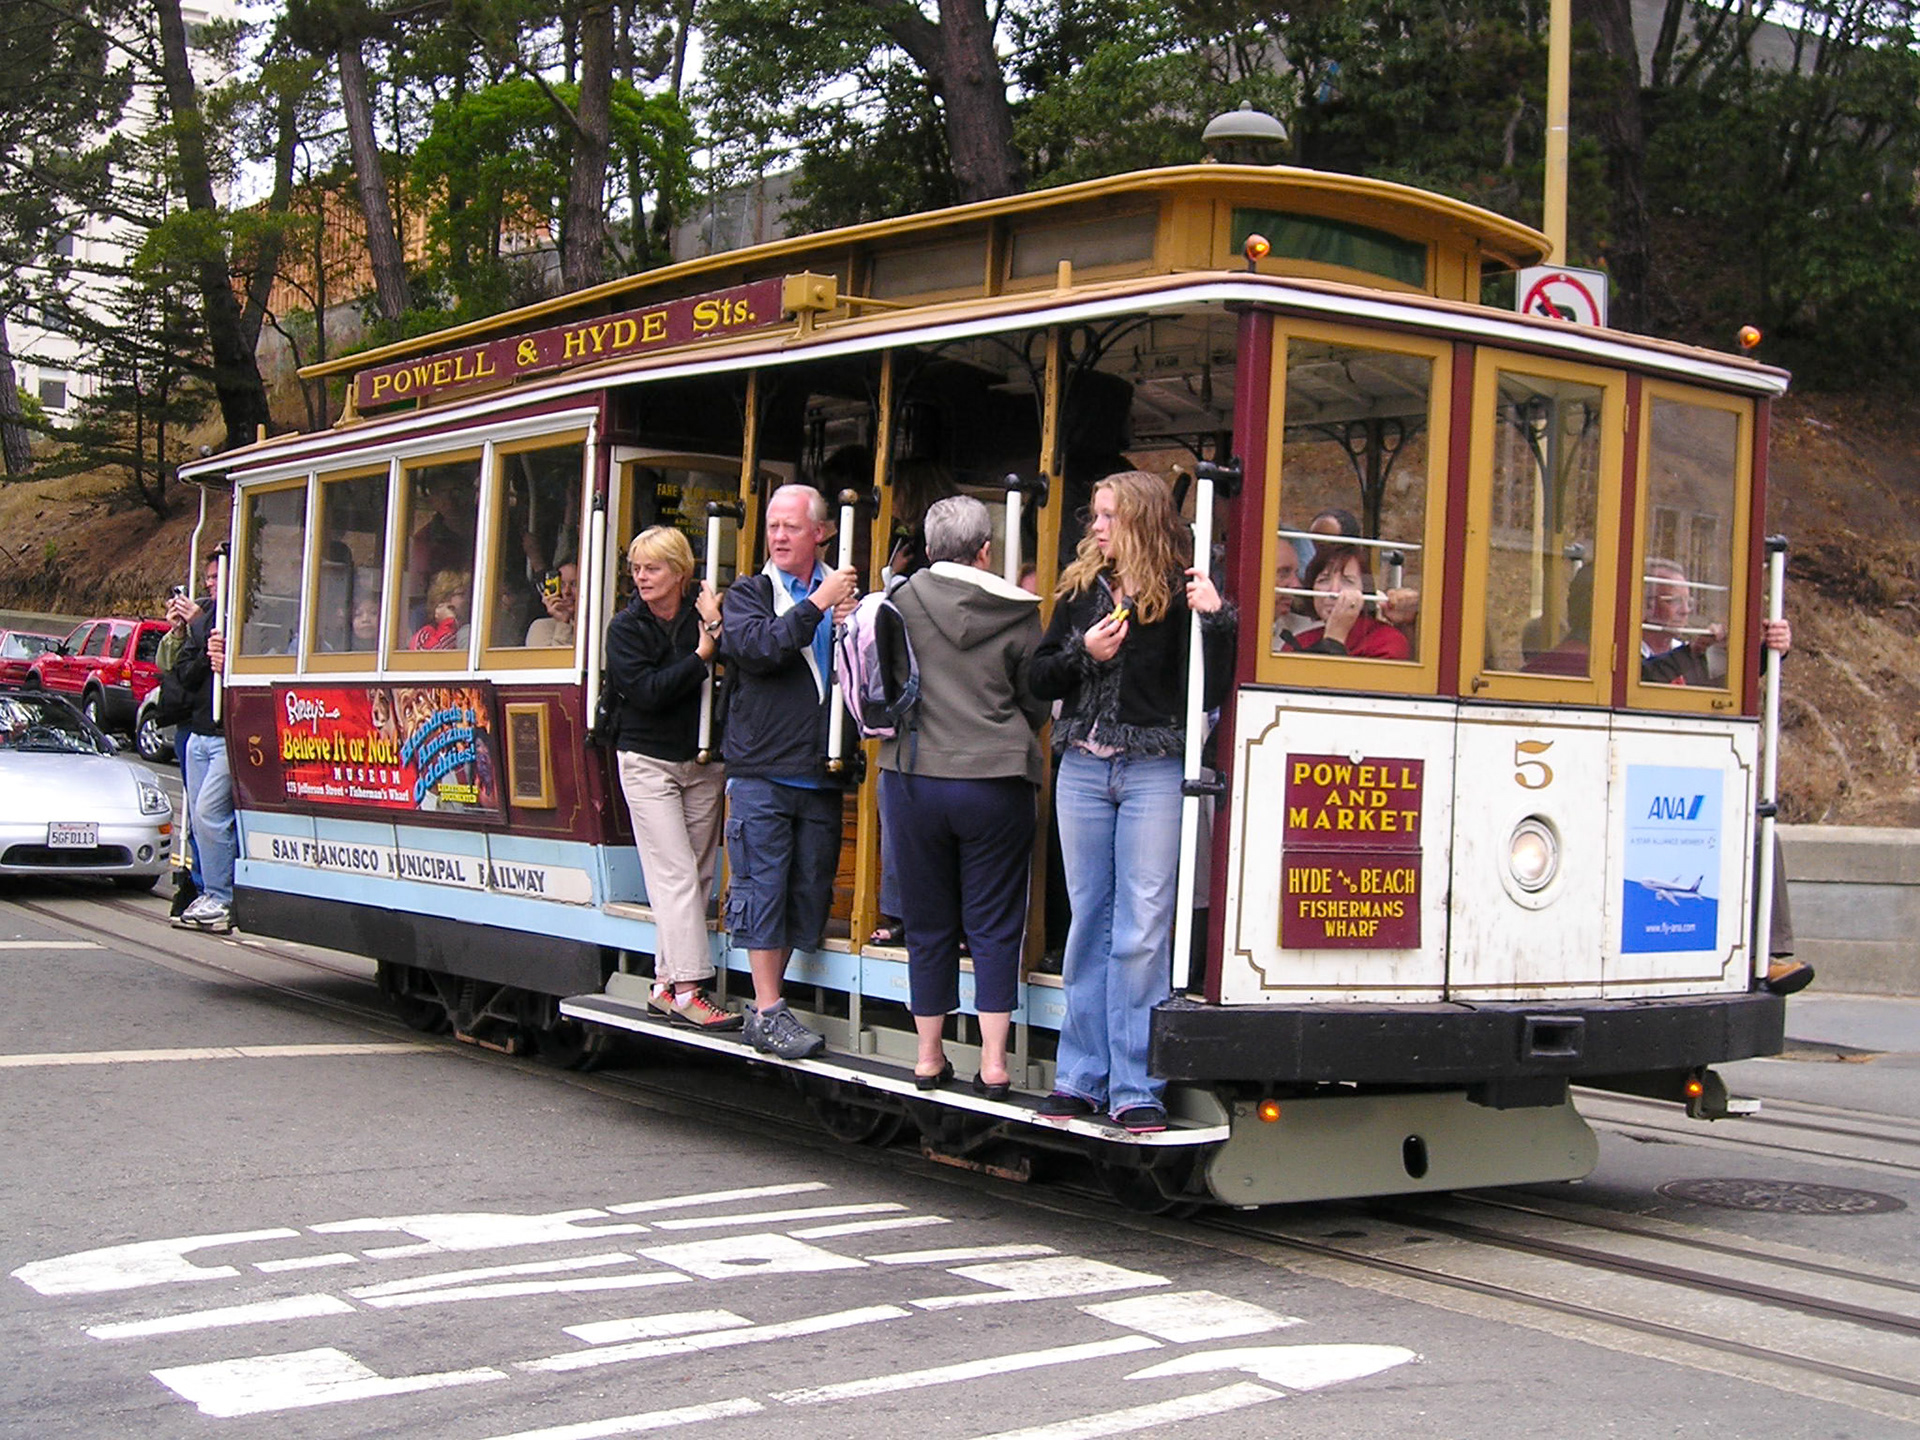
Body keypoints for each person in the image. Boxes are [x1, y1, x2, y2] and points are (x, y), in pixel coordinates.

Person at [1028, 470, 1235, 1133]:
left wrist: (1218, 620)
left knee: (1143, 928)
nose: (1095, 526)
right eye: (1095, 514)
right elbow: (1036, 677)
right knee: (1090, 920)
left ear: (1139, 520)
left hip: (1153, 769)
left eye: (1107, 515)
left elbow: (1211, 693)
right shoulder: (1082, 589)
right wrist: (1083, 654)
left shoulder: (1179, 594)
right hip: (1083, 767)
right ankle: (1081, 1077)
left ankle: (1136, 1083)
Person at [878, 496, 1048, 1095]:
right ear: (985, 551)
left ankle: (929, 1056)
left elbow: (886, 686)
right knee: (995, 923)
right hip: (997, 782)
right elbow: (1035, 703)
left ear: (928, 549)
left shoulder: (898, 602)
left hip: (915, 777)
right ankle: (995, 1064)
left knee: (927, 920)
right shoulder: (1019, 610)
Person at [720, 483, 860, 1059]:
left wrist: (856, 619)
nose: (778, 536)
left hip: (821, 771)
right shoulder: (749, 593)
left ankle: (772, 1009)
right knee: (762, 888)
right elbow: (759, 648)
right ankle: (769, 1008)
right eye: (773, 526)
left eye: (791, 527)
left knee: (807, 892)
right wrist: (819, 604)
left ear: (821, 533)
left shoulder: (845, 594)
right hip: (762, 770)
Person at [606, 528, 737, 1030]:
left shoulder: (699, 619)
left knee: (696, 877)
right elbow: (647, 693)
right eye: (636, 568)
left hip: (702, 760)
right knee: (676, 874)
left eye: (652, 568)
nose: (641, 577)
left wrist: (714, 628)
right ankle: (688, 990)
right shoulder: (626, 627)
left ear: (680, 573)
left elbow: (736, 666)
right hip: (647, 760)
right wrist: (701, 657)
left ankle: (664, 983)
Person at [171, 545, 236, 935]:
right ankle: (208, 893)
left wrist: (224, 661)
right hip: (198, 731)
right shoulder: (204, 617)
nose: (211, 584)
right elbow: (184, 673)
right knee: (198, 818)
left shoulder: (243, 615)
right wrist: (193, 635)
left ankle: (222, 895)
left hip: (225, 732)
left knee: (212, 814)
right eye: (208, 578)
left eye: (217, 577)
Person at [1281, 543, 1412, 660]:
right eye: (1323, 580)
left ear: (1364, 591)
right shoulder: (1299, 641)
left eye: (1347, 581)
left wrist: (1334, 640)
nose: (1334, 592)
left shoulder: (1387, 641)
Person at [410, 570, 470, 650]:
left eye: (468, 594)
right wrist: (447, 624)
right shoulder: (425, 634)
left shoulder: (470, 632)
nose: (467, 599)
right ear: (444, 598)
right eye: (461, 594)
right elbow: (428, 658)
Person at [526, 561, 578, 647]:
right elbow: (557, 659)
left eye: (574, 584)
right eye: (561, 585)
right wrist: (563, 623)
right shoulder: (541, 627)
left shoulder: (596, 625)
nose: (567, 591)